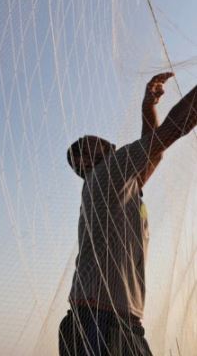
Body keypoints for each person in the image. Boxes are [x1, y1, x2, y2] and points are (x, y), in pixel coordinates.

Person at [59, 73, 197, 355]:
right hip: (97, 321)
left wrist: (148, 109)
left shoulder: (121, 185)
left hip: (120, 321)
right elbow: (170, 132)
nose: (103, 139)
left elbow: (154, 153)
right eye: (91, 140)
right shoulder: (105, 173)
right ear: (85, 160)